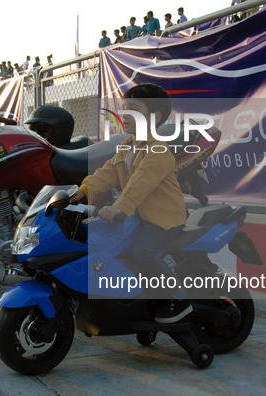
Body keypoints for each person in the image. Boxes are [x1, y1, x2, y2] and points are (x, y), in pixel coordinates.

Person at [70, 83, 191, 323]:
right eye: (124, 109)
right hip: (139, 216)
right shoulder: (127, 147)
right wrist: (82, 192)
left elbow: (139, 185)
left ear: (154, 117)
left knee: (142, 252)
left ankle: (178, 299)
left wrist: (119, 208)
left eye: (133, 110)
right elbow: (106, 174)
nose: (125, 115)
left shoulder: (158, 150)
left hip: (163, 219)